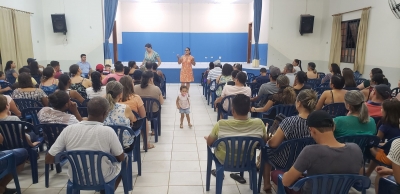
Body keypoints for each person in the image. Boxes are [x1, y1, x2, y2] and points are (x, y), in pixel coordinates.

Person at [45, 97, 125, 193]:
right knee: (122, 166)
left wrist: (67, 156)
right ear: (105, 113)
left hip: (76, 178)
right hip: (103, 178)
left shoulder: (68, 129)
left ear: (88, 110)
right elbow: (121, 158)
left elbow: (48, 159)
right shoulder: (108, 131)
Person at [281, 110, 363, 193]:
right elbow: (358, 178)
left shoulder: (310, 151)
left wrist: (285, 175)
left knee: (277, 174)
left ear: (312, 130)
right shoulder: (356, 149)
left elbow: (286, 182)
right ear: (333, 127)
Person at [262, 89, 317, 192]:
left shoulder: (289, 121)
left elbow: (274, 144)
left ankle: (266, 184)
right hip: (308, 162)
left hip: (287, 161)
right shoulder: (318, 123)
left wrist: (268, 141)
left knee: (266, 151)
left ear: (299, 103)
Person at [204, 94, 268, 179]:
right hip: (247, 160)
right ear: (249, 109)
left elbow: (210, 143)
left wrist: (208, 139)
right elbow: (264, 141)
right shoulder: (259, 123)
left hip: (224, 160)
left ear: (232, 110)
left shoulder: (221, 124)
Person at [366, 98, 400, 177]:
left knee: (371, 148)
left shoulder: (384, 126)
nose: (381, 110)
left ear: (386, 112)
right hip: (398, 154)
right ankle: (367, 173)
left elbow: (376, 141)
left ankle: (367, 173)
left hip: (389, 157)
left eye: (382, 108)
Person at [119, 76, 154, 149]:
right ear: (131, 85)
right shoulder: (136, 98)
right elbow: (143, 115)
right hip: (132, 127)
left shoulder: (117, 98)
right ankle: (146, 144)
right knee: (145, 121)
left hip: (117, 127)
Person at [103, 81, 137, 151]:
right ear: (120, 94)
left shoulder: (100, 107)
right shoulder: (125, 108)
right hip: (124, 145)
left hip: (105, 145)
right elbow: (133, 119)